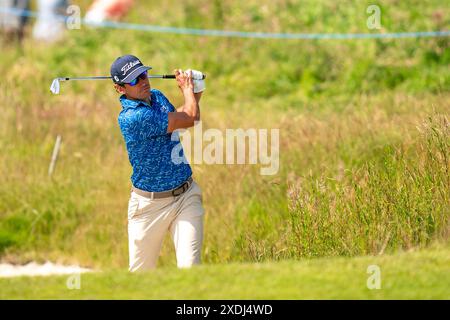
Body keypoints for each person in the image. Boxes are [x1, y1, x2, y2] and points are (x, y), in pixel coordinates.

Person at [110, 54, 205, 271]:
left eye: (143, 74)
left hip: (185, 197)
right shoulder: (132, 118)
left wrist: (195, 93)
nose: (143, 81)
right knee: (141, 279)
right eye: (134, 80)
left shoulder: (158, 97)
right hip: (149, 206)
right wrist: (187, 90)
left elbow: (180, 120)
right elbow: (190, 118)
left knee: (191, 270)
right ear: (120, 89)